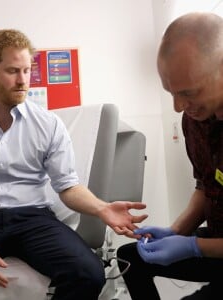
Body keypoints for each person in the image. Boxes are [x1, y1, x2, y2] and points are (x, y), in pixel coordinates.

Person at [0, 29, 148, 300]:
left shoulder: (49, 124)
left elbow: (68, 187)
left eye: (27, 71)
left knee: (88, 273)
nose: (23, 81)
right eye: (13, 71)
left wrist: (102, 208)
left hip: (35, 220)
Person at [117, 12, 223, 300]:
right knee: (130, 258)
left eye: (188, 92)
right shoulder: (196, 120)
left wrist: (194, 247)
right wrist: (176, 232)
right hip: (217, 244)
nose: (178, 107)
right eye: (171, 93)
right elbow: (206, 187)